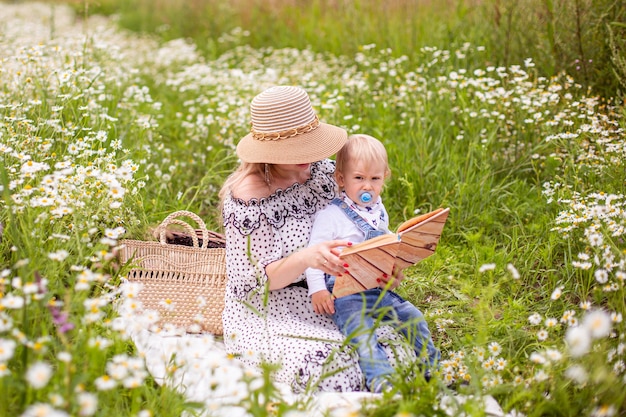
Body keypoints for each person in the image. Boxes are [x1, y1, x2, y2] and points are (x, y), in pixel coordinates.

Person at [219, 86, 414, 393]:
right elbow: (252, 283)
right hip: (271, 309)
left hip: (335, 294)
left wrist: (381, 263)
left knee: (398, 352)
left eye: (310, 146)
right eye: (296, 151)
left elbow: (352, 225)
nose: (309, 157)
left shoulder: (322, 172)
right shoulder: (249, 198)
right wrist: (307, 258)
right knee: (332, 372)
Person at [305, 133, 440, 393]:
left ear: (384, 177)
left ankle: (433, 370)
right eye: (359, 178)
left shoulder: (378, 210)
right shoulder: (331, 215)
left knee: (413, 318)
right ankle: (382, 380)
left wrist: (394, 266)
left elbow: (385, 245)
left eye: (374, 179)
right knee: (363, 333)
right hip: (345, 293)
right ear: (341, 179)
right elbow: (315, 255)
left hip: (377, 288)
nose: (367, 186)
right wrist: (318, 289)